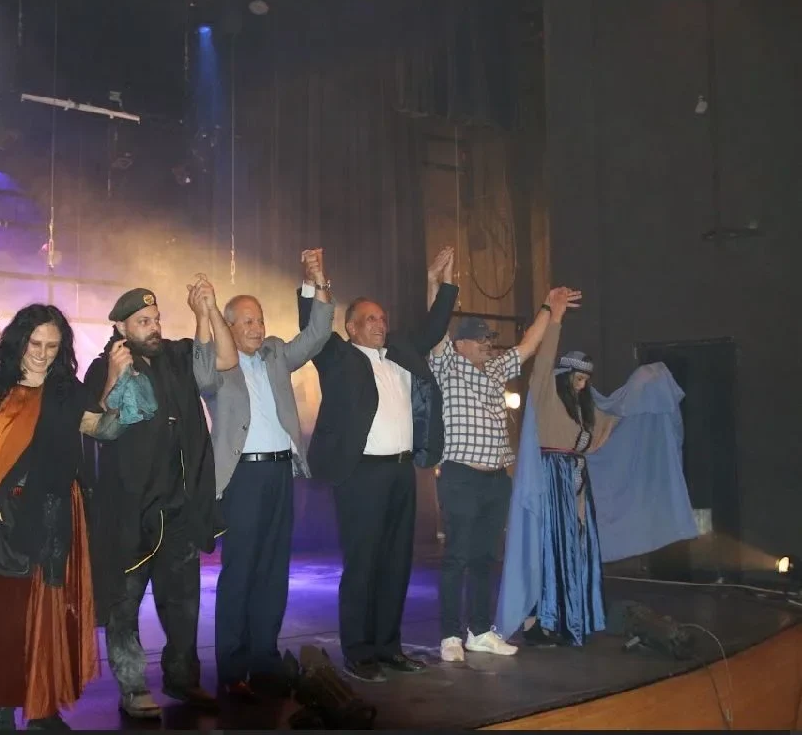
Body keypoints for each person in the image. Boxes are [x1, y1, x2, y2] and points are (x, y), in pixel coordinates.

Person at [0, 304, 133, 729]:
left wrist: (118, 382)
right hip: (2, 520)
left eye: (52, 346)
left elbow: (103, 430)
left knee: (53, 614)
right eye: (35, 344)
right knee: (7, 617)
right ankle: (4, 707)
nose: (42, 354)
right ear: (19, 342)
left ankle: (42, 709)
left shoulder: (66, 390)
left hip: (57, 515)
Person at [298, 246, 459, 683]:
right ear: (350, 327)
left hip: (401, 472)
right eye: (370, 319)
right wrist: (313, 282)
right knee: (363, 564)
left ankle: (389, 647)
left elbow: (433, 327)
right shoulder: (338, 356)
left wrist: (444, 282)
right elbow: (311, 326)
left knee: (396, 564)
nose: (380, 324)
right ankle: (359, 652)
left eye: (383, 318)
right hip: (362, 474)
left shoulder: (400, 352)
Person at [494, 309, 698, 646]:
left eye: (586, 380)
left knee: (576, 549)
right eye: (577, 379)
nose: (583, 385)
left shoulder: (586, 410)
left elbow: (617, 416)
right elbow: (542, 363)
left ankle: (571, 617)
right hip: (551, 479)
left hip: (576, 484)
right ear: (565, 376)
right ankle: (539, 621)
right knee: (550, 549)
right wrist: (555, 318)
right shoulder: (546, 397)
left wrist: (647, 383)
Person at [79, 277, 235, 719]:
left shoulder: (177, 356)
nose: (153, 328)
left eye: (156, 319)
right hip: (131, 511)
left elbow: (224, 359)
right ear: (120, 327)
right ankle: (132, 688)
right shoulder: (102, 367)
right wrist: (114, 376)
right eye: (143, 321)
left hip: (178, 508)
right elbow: (95, 424)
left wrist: (207, 310)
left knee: (183, 603)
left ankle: (182, 679)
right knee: (124, 604)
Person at [197, 248, 335, 699]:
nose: (258, 328)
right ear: (229, 327)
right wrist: (206, 312)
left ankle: (264, 660)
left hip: (280, 473)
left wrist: (317, 280)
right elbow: (200, 376)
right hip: (242, 479)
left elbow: (317, 334)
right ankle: (232, 667)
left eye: (260, 320)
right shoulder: (219, 365)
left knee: (274, 572)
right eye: (248, 322)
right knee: (240, 571)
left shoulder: (275, 354)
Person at [427, 284, 581, 663]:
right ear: (460, 344)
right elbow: (436, 325)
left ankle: (480, 631)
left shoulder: (497, 369)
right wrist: (435, 283)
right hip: (461, 476)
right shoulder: (447, 365)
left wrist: (549, 307)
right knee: (457, 557)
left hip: (496, 479)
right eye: (480, 339)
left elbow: (527, 346)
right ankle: (450, 634)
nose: (488, 344)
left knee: (484, 557)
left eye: (489, 338)